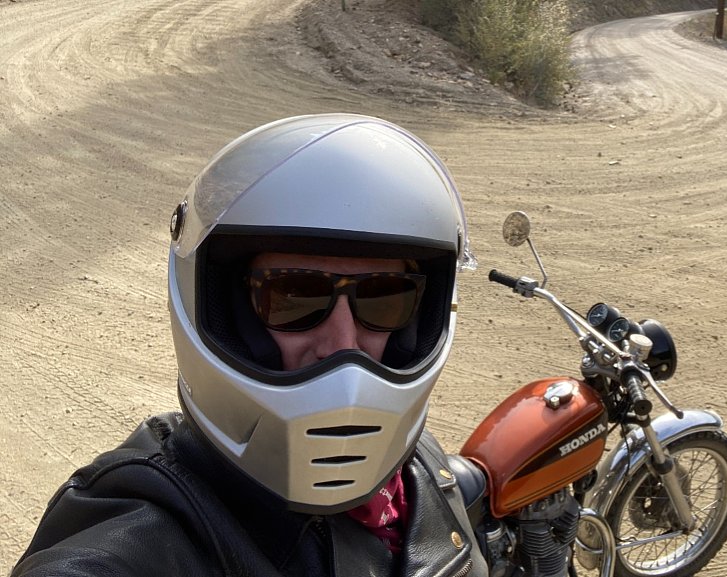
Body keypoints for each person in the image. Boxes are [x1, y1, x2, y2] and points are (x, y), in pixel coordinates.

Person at [12, 114, 488, 576]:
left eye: (385, 299)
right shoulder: (146, 536)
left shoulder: (417, 463)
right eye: (294, 295)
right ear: (226, 310)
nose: (343, 346)